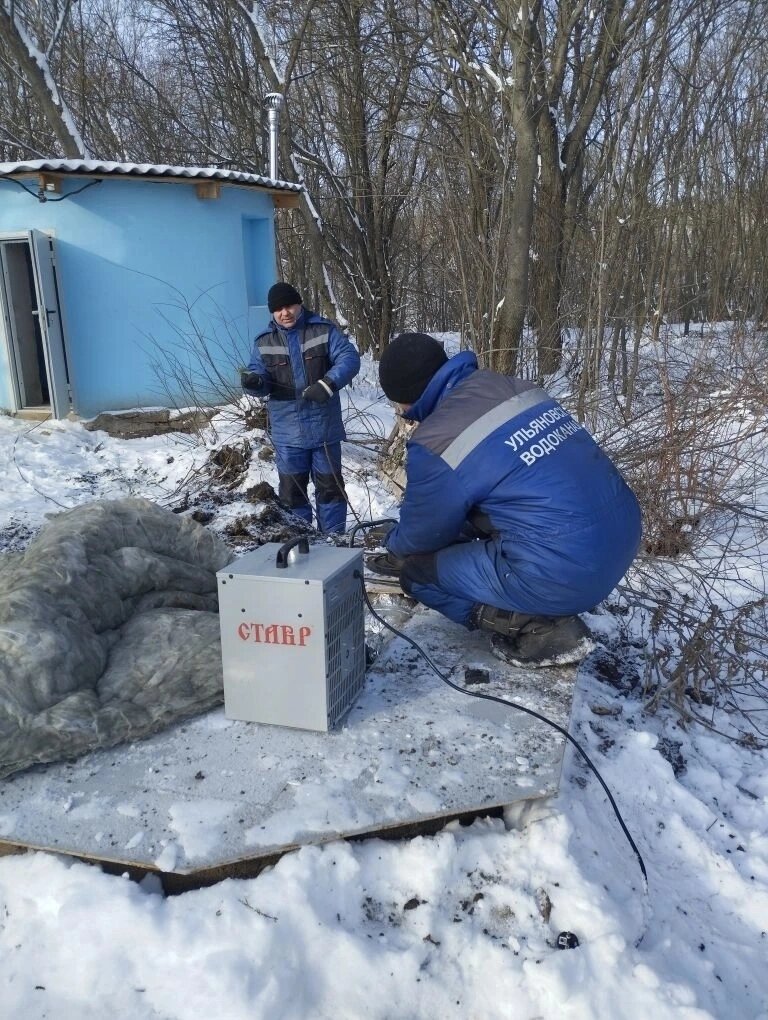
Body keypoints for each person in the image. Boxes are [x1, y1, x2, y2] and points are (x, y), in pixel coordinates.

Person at [376, 332, 642, 667]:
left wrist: (394, 544)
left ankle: (538, 629)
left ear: (408, 398)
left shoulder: (436, 439)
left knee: (418, 574)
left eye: (399, 407)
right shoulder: (512, 387)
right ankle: (543, 596)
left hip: (566, 572)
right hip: (621, 540)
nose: (403, 415)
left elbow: (422, 536)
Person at [241, 282, 360, 534]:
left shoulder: (323, 330)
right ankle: (302, 544)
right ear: (272, 312)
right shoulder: (264, 342)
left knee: (330, 491)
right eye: (278, 309)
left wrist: (328, 384)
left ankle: (334, 542)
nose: (285, 312)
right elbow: (258, 376)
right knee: (292, 496)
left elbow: (349, 358)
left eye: (289, 306)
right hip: (288, 436)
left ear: (299, 304)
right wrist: (254, 383)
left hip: (324, 430)